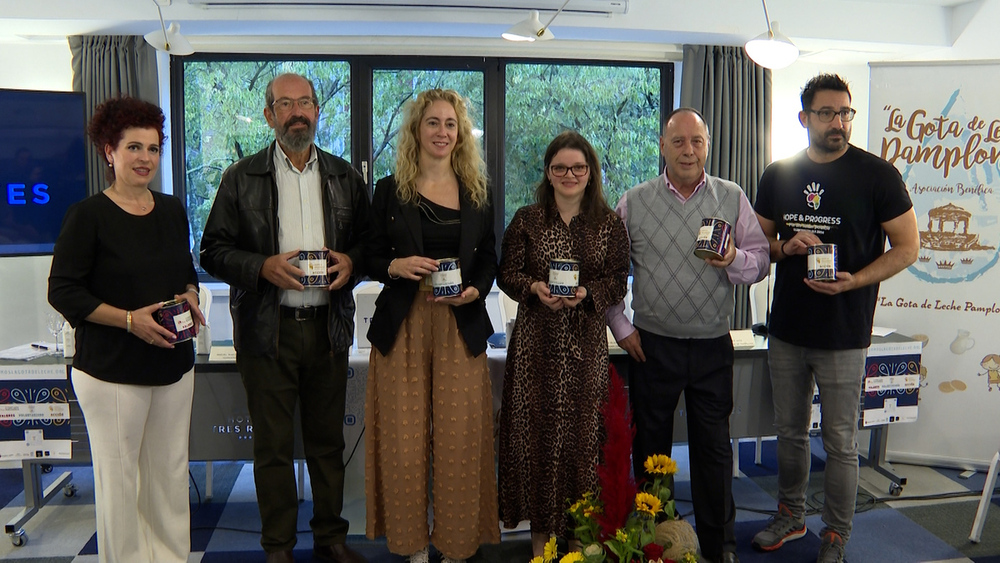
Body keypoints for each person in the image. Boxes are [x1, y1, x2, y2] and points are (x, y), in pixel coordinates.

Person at [199, 73, 369, 563]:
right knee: (272, 450)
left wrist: (353, 262)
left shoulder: (343, 176)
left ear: (318, 111)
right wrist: (261, 267)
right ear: (270, 115)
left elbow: (368, 245)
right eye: (286, 103)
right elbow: (212, 251)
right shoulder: (240, 177)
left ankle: (331, 537)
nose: (298, 111)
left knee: (326, 444)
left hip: (327, 331)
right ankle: (278, 546)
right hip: (266, 335)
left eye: (306, 102)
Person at [751, 74, 918, 563]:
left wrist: (855, 280)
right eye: (826, 113)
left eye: (845, 113)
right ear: (804, 118)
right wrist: (786, 246)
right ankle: (790, 515)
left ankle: (836, 534)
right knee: (789, 432)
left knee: (841, 440)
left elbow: (908, 248)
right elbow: (761, 244)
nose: (838, 123)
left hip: (845, 332)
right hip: (787, 329)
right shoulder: (778, 173)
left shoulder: (877, 175)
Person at [607, 108, 770, 563]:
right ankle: (656, 544)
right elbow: (611, 272)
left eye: (696, 141)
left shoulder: (732, 196)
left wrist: (734, 258)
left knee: (714, 452)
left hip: (713, 346)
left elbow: (759, 260)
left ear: (708, 145)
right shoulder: (633, 201)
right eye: (678, 141)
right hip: (652, 346)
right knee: (651, 450)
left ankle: (719, 548)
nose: (688, 150)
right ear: (662, 145)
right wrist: (621, 327)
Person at [48, 96, 204, 563]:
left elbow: (185, 271)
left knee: (170, 475)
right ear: (109, 151)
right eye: (133, 147)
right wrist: (131, 321)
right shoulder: (88, 215)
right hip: (111, 371)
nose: (145, 158)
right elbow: (64, 291)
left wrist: (192, 295)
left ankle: (172, 558)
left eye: (153, 149)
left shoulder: (173, 209)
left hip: (173, 366)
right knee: (121, 482)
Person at [364, 88, 499, 563]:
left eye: (450, 124)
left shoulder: (478, 193)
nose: (442, 132)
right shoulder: (389, 190)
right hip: (403, 324)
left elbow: (489, 259)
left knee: (459, 440)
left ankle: (456, 545)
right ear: (416, 131)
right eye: (433, 123)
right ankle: (413, 546)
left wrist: (477, 289)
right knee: (405, 444)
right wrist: (395, 267)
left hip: (459, 324)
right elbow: (370, 255)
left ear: (459, 134)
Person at [497, 130, 630, 556]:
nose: (569, 174)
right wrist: (535, 287)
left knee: (584, 441)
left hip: (586, 349)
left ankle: (580, 541)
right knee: (535, 442)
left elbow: (618, 280)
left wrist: (588, 294)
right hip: (535, 349)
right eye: (560, 168)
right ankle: (540, 546)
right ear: (548, 174)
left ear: (590, 173)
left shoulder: (610, 224)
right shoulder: (526, 219)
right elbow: (507, 274)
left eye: (577, 167)